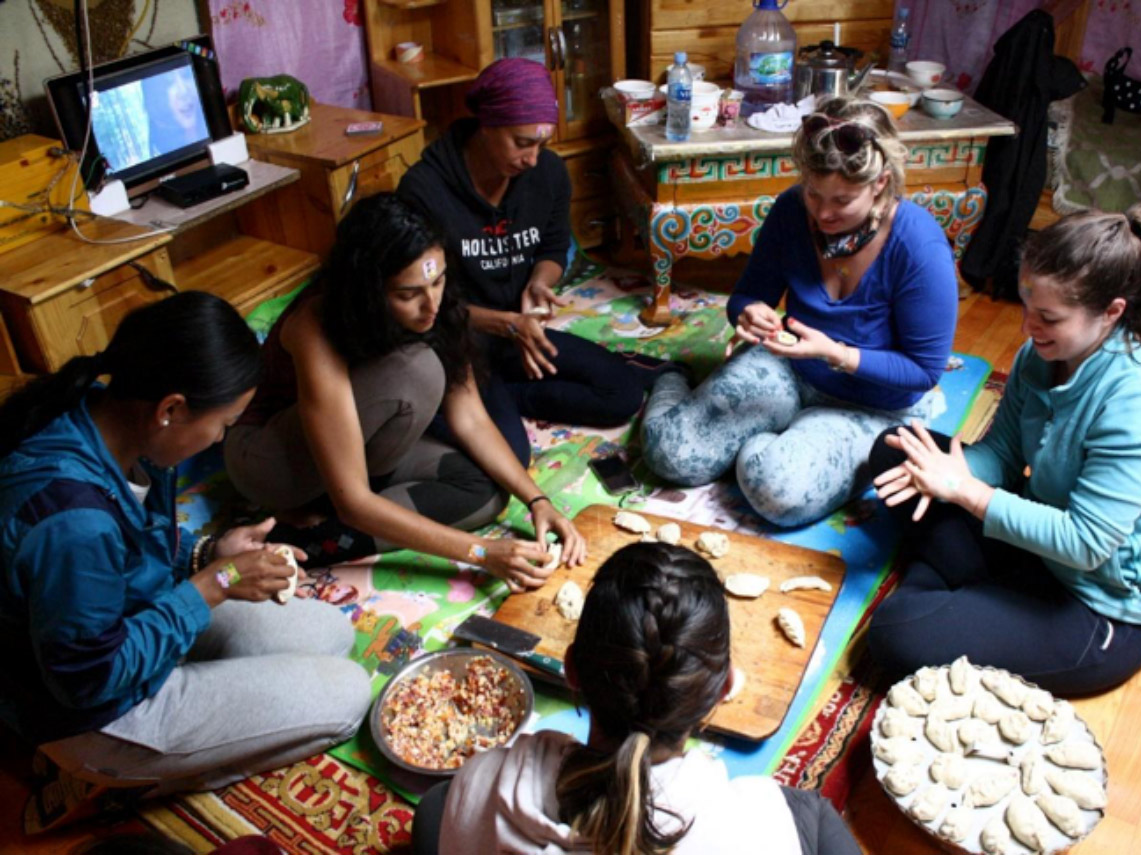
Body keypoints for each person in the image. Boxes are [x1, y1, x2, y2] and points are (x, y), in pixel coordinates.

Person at [0, 292, 369, 818]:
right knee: (346, 698)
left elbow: (133, 552)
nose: (221, 438)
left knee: (332, 634)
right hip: (95, 712)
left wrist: (209, 552)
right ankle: (116, 782)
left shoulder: (123, 428)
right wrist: (212, 585)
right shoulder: (72, 521)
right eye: (223, 423)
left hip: (130, 621)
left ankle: (181, 734)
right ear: (171, 409)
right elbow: (87, 679)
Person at [867, 208, 1141, 696]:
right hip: (1037, 546)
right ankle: (963, 597)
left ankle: (952, 591)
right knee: (897, 450)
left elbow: (1086, 545)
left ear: (1112, 311)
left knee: (895, 634)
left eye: (1048, 317)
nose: (1027, 327)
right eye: (1026, 304)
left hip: (1098, 604)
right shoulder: (1040, 357)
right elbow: (1000, 453)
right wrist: (948, 473)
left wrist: (962, 491)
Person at [224, 193, 585, 587]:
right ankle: (305, 539)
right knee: (419, 369)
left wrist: (538, 501)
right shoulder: (315, 324)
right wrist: (481, 553)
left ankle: (335, 524)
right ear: (368, 290)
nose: (430, 304)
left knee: (485, 493)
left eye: (438, 280)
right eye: (407, 294)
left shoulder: (436, 307)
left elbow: (470, 418)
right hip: (270, 458)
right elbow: (354, 500)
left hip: (358, 445)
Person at [413, 542, 862, 855]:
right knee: (815, 816)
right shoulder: (761, 821)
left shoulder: (482, 780)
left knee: (435, 808)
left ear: (571, 670)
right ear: (724, 691)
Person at [642, 97, 958, 527]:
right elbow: (748, 295)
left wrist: (837, 354)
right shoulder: (793, 210)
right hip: (791, 369)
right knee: (672, 455)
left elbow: (924, 372)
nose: (823, 213)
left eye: (843, 200)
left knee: (777, 491)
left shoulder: (919, 246)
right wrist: (749, 312)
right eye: (814, 192)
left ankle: (786, 443)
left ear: (881, 183)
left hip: (875, 407)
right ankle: (672, 378)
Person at [397, 57, 674, 445]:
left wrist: (541, 283)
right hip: (457, 339)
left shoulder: (547, 173)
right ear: (487, 125)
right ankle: (478, 410)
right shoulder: (424, 190)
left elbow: (555, 245)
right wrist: (506, 323)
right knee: (508, 453)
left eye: (541, 144)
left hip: (519, 333)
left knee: (622, 395)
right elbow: (420, 303)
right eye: (522, 143)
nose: (532, 158)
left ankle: (504, 401)